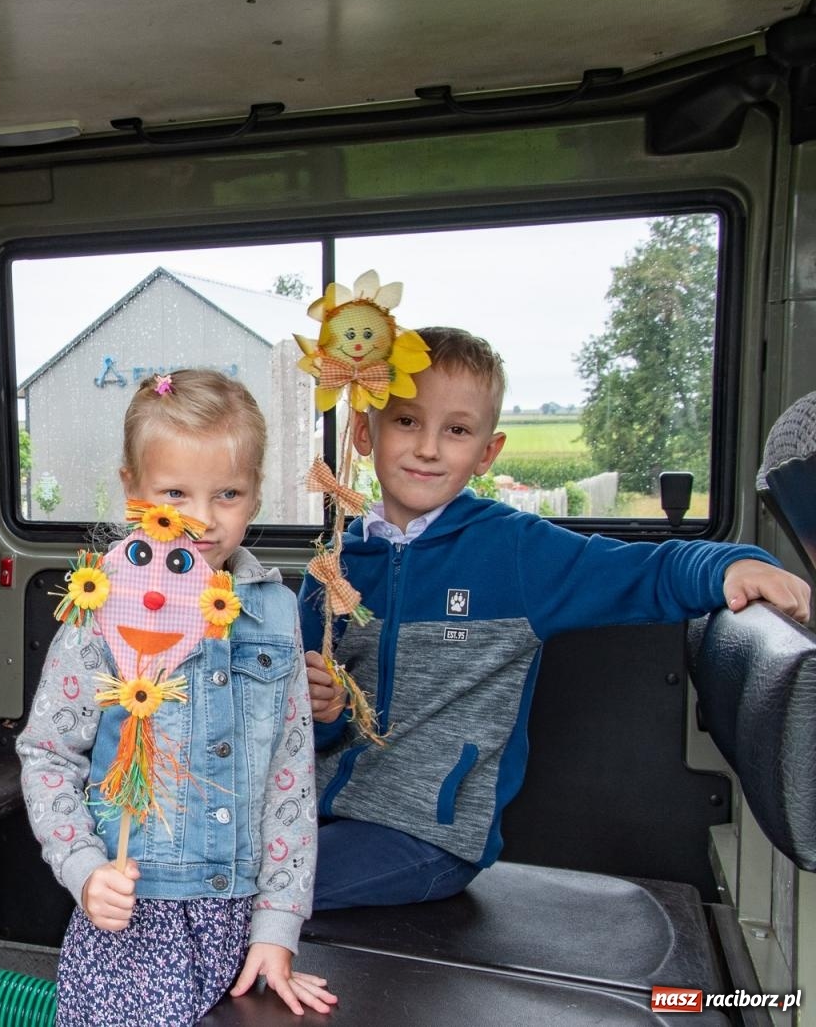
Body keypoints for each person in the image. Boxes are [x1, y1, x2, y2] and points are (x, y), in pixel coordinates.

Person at [302, 326, 811, 911]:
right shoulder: (334, 564)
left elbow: (645, 571)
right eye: (407, 422)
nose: (429, 448)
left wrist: (733, 563)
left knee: (264, 898)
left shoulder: (516, 552)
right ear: (365, 432)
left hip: (426, 836)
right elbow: (302, 722)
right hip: (310, 815)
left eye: (458, 430)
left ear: (487, 451)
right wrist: (324, 712)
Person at [18, 369, 337, 1026]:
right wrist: (84, 870)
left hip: (240, 921)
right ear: (133, 490)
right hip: (134, 925)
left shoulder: (277, 613)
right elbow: (49, 756)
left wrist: (277, 927)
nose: (201, 519)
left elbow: (290, 780)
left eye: (228, 493)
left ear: (254, 496)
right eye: (174, 493)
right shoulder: (101, 608)